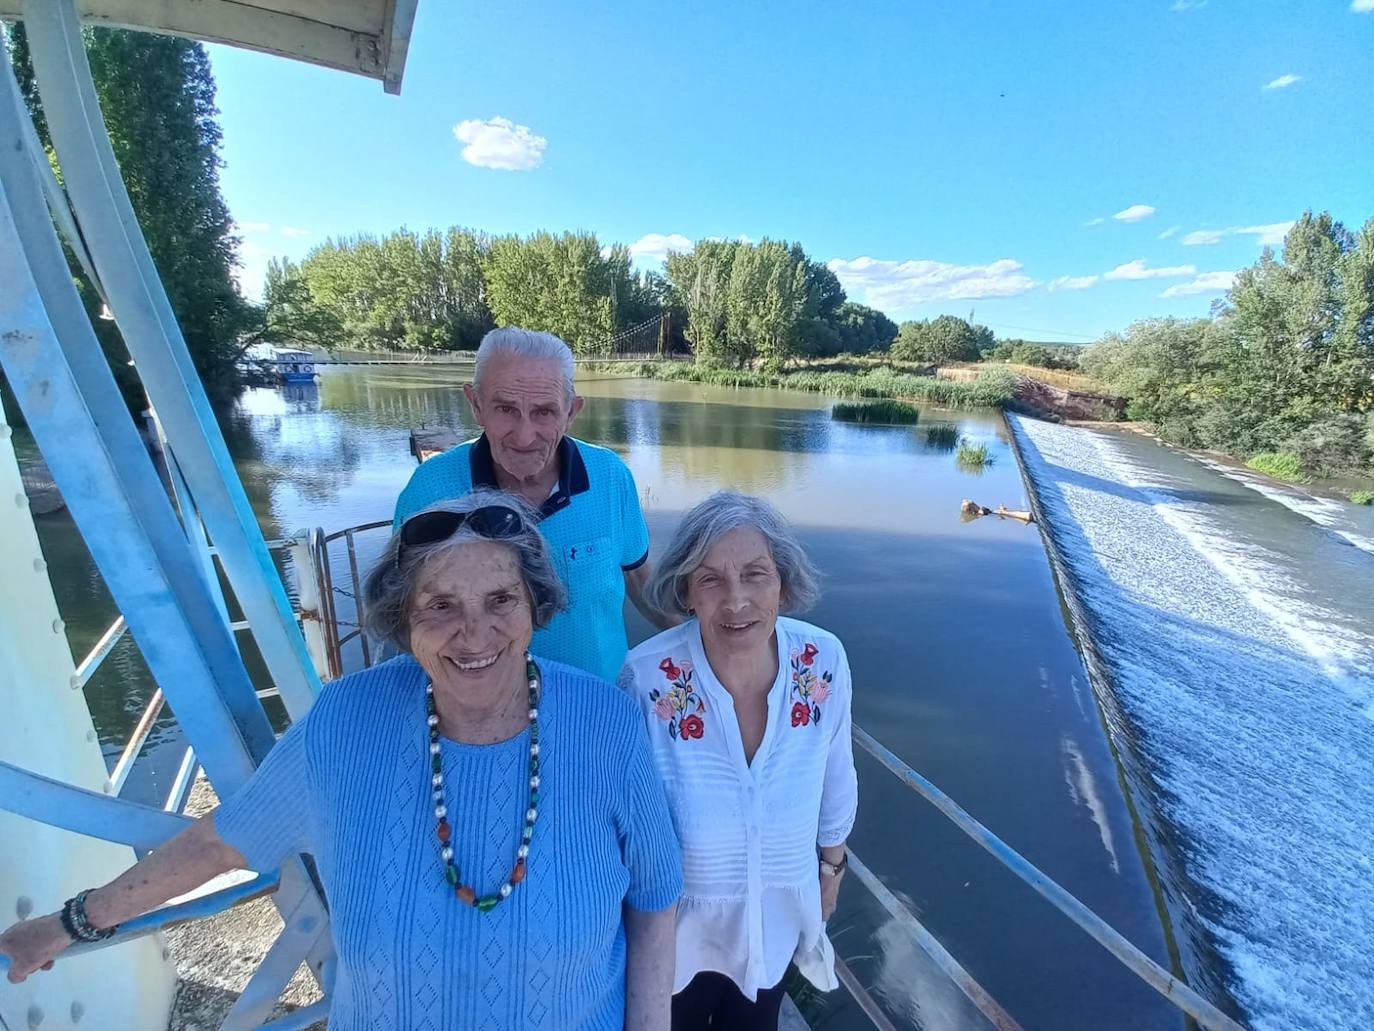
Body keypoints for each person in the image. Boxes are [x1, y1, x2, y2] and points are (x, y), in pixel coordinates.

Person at [2, 489, 682, 1030]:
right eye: (440, 604)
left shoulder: (607, 725)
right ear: (402, 619)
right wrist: (70, 922)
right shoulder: (346, 723)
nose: (474, 631)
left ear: (536, 606)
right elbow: (219, 841)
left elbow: (655, 900)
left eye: (500, 599)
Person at [618, 491, 858, 1031]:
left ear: (783, 582)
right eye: (710, 580)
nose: (736, 601)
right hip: (672, 933)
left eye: (756, 574)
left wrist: (832, 868)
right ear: (685, 591)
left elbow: (837, 774)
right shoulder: (649, 677)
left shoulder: (823, 661)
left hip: (774, 921)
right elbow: (625, 815)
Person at [395, 327, 669, 682]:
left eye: (544, 412)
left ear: (571, 412)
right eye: (505, 409)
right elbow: (407, 612)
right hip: (481, 718)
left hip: (600, 708)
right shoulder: (429, 491)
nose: (525, 436)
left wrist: (703, 641)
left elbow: (638, 576)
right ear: (475, 405)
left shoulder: (610, 476)